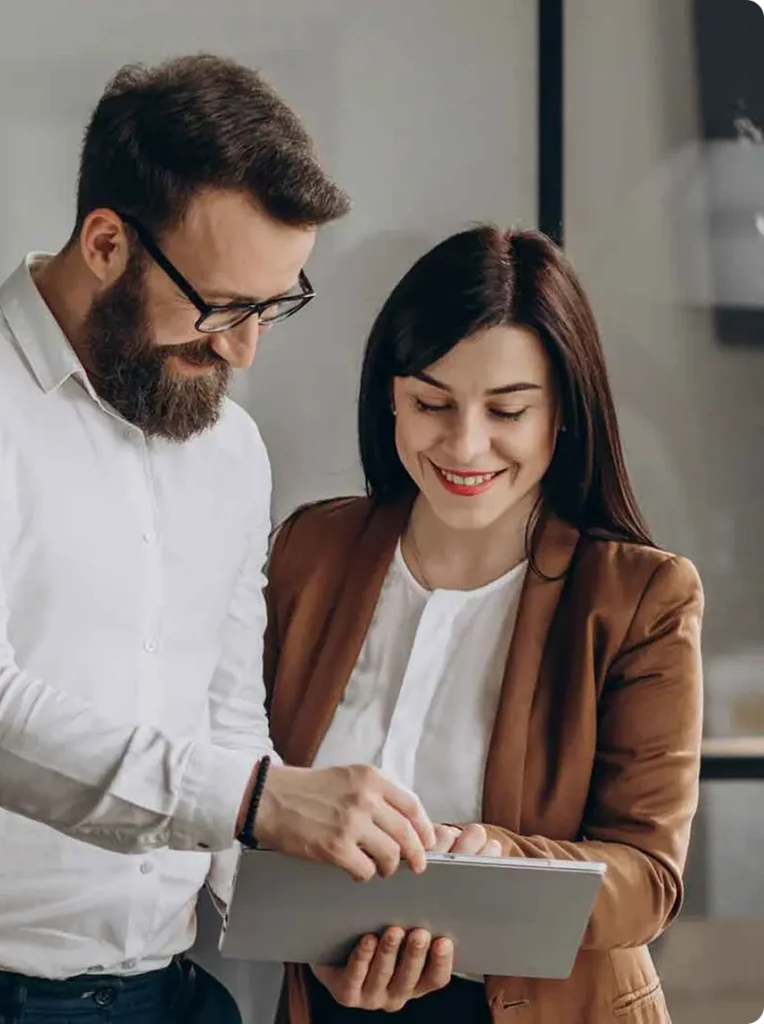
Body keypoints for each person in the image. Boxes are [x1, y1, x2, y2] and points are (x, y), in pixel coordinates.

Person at [0, 55, 445, 1024]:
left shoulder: (229, 448)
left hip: (168, 993)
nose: (242, 348)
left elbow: (223, 718)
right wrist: (259, 796)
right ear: (104, 241)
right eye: (220, 307)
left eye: (272, 306)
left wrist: (310, 933)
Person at [261, 226, 704, 1024]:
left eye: (507, 411)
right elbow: (242, 787)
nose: (465, 444)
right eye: (432, 403)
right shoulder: (310, 552)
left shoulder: (641, 596)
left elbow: (649, 882)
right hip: (323, 1003)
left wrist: (506, 861)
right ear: (389, 394)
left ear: (562, 413)